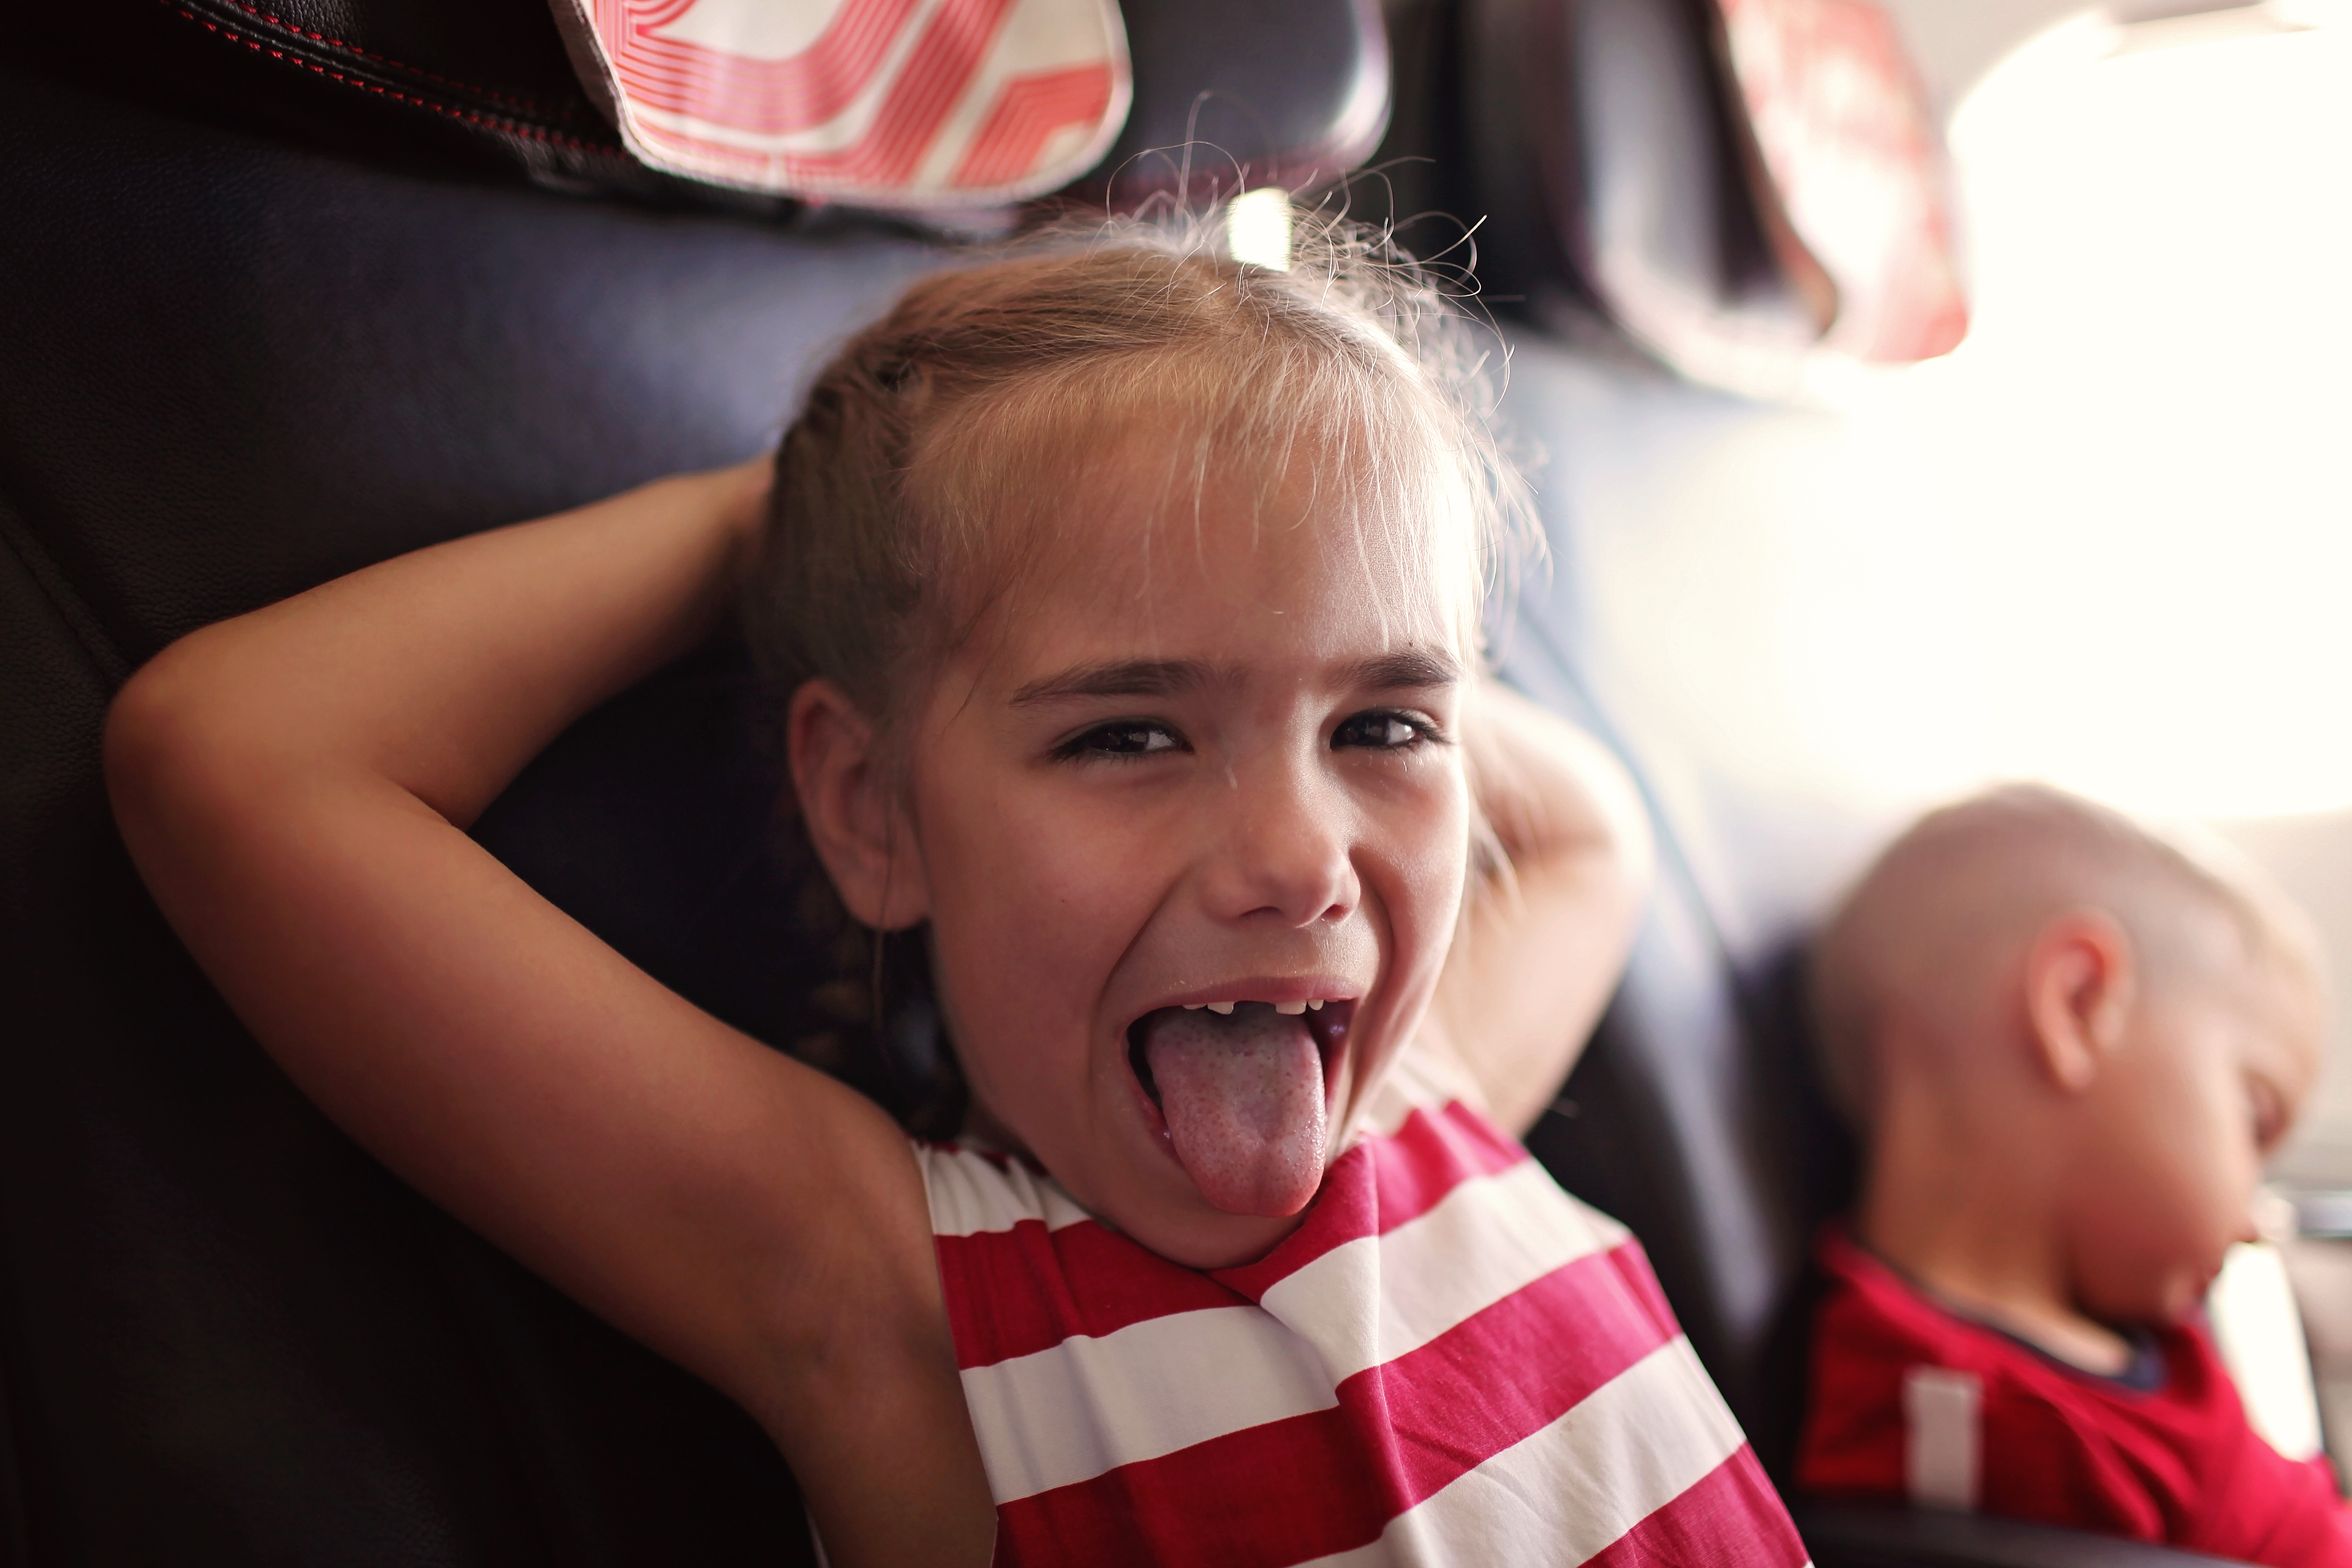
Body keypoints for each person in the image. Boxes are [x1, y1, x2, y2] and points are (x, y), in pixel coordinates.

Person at [104, 208, 1805, 1567]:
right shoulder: (898, 1305)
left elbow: (1586, 833)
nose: (1302, 865)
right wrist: (758, 528)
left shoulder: (1435, 1091)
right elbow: (240, 757)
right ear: (873, 812)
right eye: (1129, 735)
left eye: (1384, 725)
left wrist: (1303, 587)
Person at [1798, 782, 2349, 1563]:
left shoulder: (2122, 1332)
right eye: (2255, 1121)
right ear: (2081, 1005)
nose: (2255, 1221)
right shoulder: (1956, 1416)